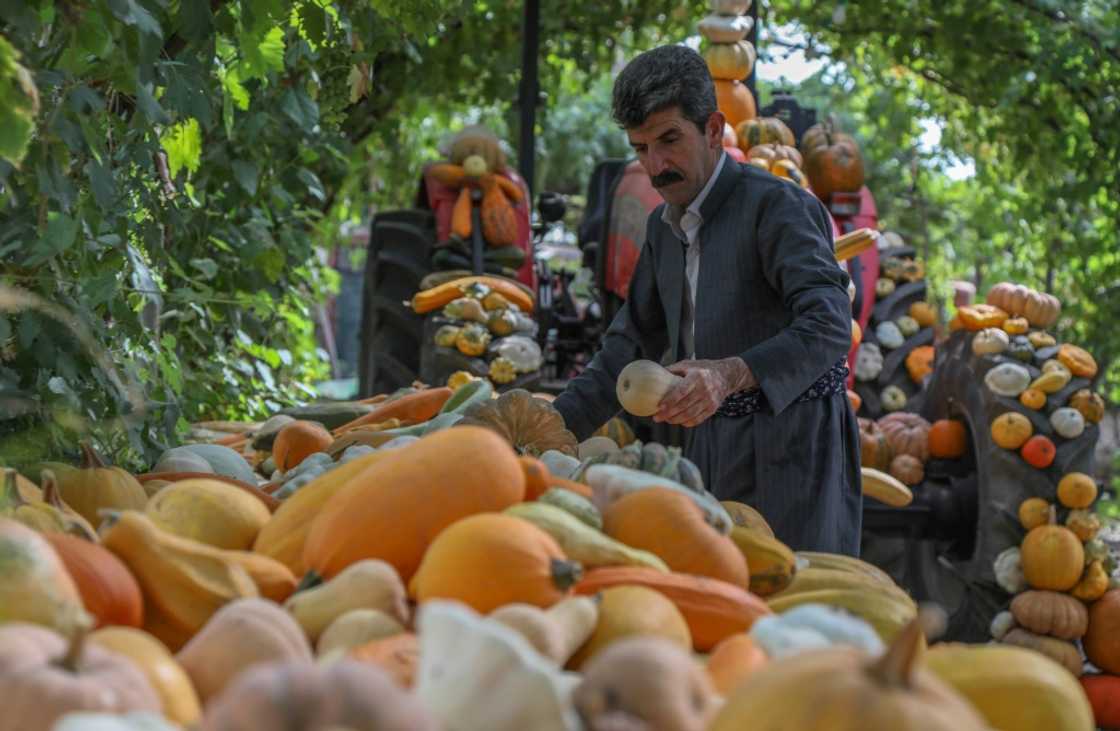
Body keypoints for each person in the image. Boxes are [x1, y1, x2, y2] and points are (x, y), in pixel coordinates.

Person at [552, 45, 862, 555]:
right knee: (722, 599)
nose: (657, 165)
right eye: (641, 148)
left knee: (791, 612)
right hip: (713, 446)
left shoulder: (778, 206)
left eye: (670, 140)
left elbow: (830, 325)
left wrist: (728, 374)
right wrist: (543, 429)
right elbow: (625, 353)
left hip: (795, 453)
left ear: (714, 129)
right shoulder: (661, 227)